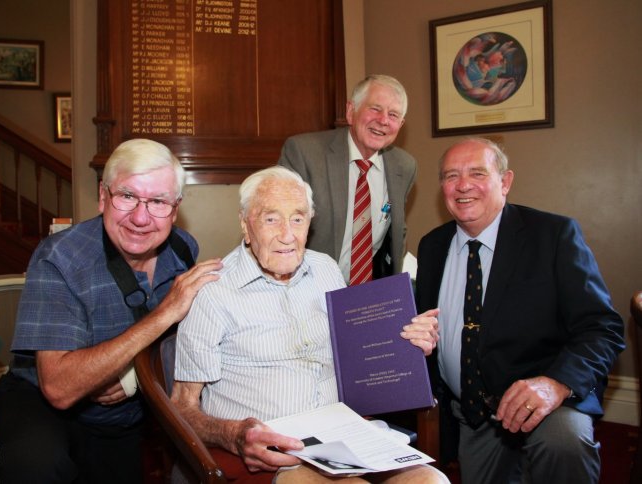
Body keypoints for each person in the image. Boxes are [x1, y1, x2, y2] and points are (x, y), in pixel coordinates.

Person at [171, 166, 447, 483]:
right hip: (270, 456)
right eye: (271, 219)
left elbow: (356, 356)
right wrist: (232, 433)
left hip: (342, 439)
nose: (287, 235)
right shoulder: (212, 291)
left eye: (298, 218)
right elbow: (182, 407)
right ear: (245, 225)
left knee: (431, 480)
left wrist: (406, 346)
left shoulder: (326, 269)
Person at [0, 138, 223, 483]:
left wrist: (131, 376)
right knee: (36, 466)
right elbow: (59, 387)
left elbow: (184, 336)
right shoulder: (60, 258)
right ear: (103, 197)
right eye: (127, 196)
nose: (141, 218)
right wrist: (165, 312)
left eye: (158, 201)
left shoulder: (183, 249)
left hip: (123, 411)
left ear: (174, 209)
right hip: (41, 400)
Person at [415, 137, 626, 483]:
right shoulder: (433, 246)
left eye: (477, 173)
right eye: (451, 176)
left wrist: (556, 384)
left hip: (548, 403)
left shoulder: (553, 235)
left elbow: (601, 327)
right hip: (471, 414)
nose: (463, 185)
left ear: (506, 181)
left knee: (564, 444)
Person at [278, 74, 417, 284]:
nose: (383, 120)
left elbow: (396, 234)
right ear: (351, 112)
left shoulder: (404, 166)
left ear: (401, 123)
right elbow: (277, 226)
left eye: (394, 114)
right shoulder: (304, 153)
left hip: (365, 295)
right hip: (305, 290)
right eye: (375, 109)